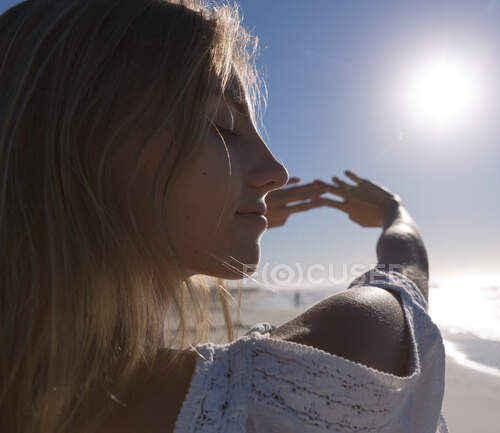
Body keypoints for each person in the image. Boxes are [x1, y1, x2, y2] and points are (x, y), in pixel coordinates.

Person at [0, 1, 448, 432]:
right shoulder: (279, 392)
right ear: (74, 151)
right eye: (221, 125)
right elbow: (403, 281)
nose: (277, 172)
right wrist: (395, 211)